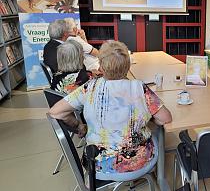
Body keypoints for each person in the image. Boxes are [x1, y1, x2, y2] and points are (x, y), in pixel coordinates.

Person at [48, 40, 172, 180]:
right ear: (128, 66)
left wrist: (79, 126)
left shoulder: (89, 87)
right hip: (137, 163)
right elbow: (165, 118)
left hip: (97, 165)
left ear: (101, 66)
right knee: (155, 135)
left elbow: (55, 112)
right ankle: (160, 180)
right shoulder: (140, 88)